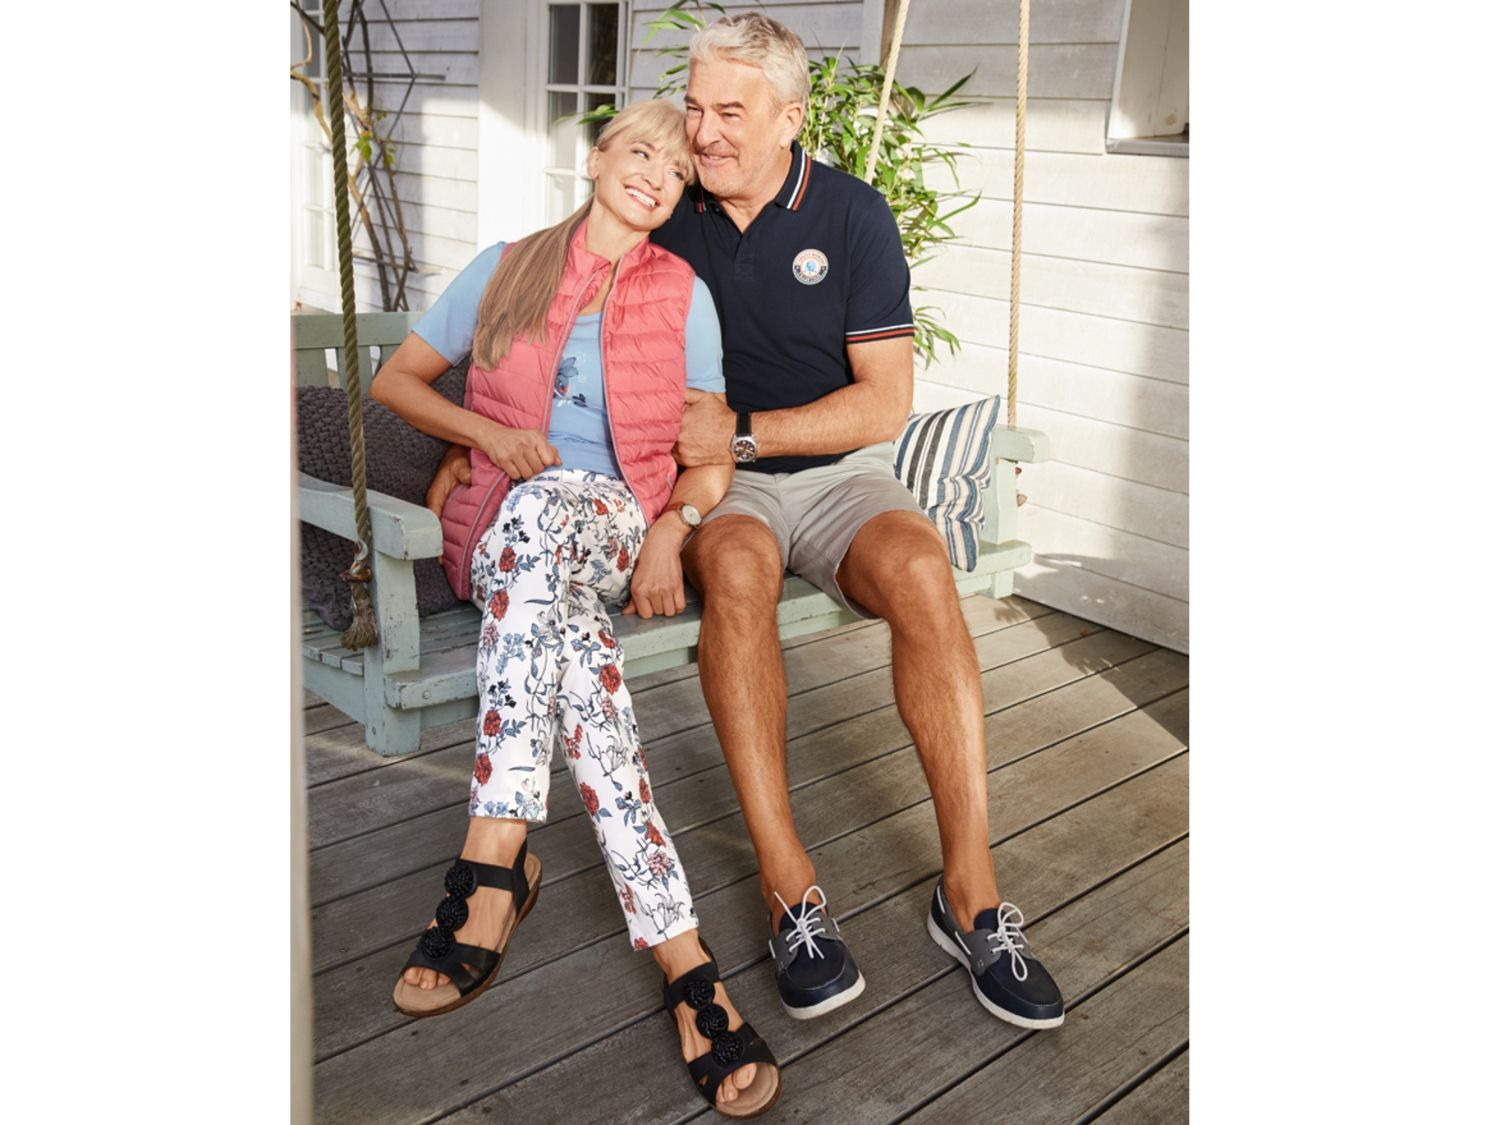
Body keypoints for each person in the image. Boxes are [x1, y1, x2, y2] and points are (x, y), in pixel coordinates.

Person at [653, 14, 1068, 1031]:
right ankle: (789, 891)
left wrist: (743, 430)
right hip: (723, 486)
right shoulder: (665, 208)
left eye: (729, 112)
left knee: (923, 572)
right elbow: (567, 310)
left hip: (841, 474)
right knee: (738, 571)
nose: (701, 132)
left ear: (790, 118)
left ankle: (970, 894)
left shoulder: (851, 215)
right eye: (695, 107)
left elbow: (883, 405)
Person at [369, 99, 781, 1117]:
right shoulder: (506, 267)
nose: (657, 176)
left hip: (608, 524)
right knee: (583, 678)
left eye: (677, 172)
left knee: (555, 509)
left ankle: (494, 855)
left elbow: (707, 457)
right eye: (642, 152)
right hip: (501, 536)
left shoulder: (682, 294)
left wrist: (675, 528)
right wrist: (484, 435)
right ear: (595, 157)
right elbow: (396, 381)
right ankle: (685, 961)